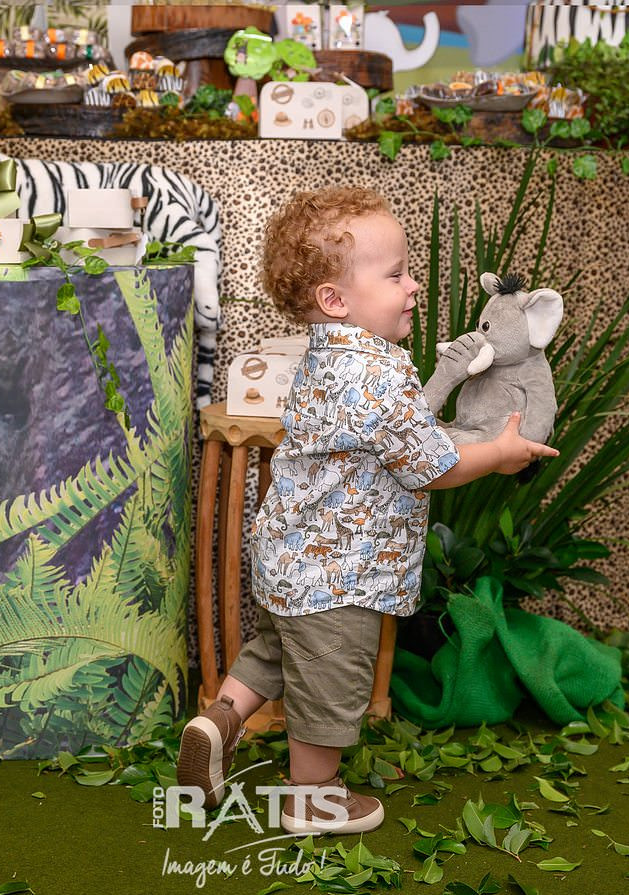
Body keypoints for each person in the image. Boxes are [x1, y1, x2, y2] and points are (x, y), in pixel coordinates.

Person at [176, 186, 559, 834]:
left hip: (287, 558)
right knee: (330, 681)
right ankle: (312, 796)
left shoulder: (326, 357)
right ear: (335, 299)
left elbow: (384, 441)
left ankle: (220, 720)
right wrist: (497, 453)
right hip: (340, 575)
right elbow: (431, 465)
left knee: (275, 649)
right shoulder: (380, 374)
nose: (412, 287)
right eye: (396, 275)